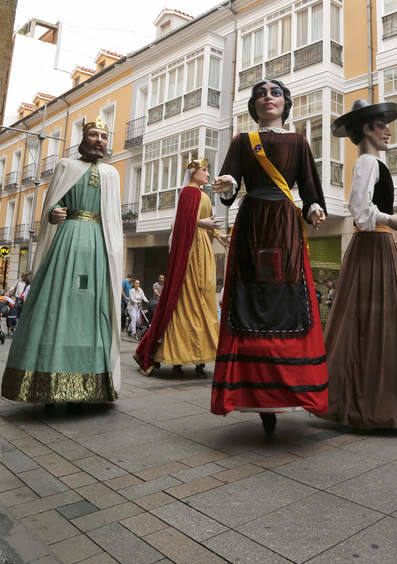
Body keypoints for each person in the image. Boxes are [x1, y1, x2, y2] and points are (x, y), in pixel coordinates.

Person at [211, 79, 328, 438]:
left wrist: (314, 210)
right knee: (250, 295)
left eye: (275, 93)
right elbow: (228, 187)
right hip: (252, 223)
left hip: (285, 224)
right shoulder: (242, 142)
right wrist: (228, 185)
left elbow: (310, 188)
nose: (268, 97)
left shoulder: (299, 142)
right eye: (261, 94)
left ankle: (289, 386)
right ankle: (255, 394)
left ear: (285, 103)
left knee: (287, 295)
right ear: (254, 105)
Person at [1, 117, 122, 403]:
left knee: (94, 308)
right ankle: (47, 374)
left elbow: (113, 218)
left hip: (98, 245)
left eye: (104, 136)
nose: (99, 140)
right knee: (58, 303)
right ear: (83, 137)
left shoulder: (111, 174)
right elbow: (53, 202)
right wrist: (54, 212)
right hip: (68, 242)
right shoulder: (67, 166)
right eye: (94, 135)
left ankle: (94, 381)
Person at [324, 98, 397, 430]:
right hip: (373, 247)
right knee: (374, 327)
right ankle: (371, 406)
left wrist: (391, 230)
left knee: (366, 326)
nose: (388, 131)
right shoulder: (368, 162)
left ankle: (366, 402)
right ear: (366, 128)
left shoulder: (373, 163)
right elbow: (361, 212)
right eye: (381, 126)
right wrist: (392, 221)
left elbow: (366, 215)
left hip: (377, 247)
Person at [135, 160, 228, 379]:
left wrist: (220, 236)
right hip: (190, 251)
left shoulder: (204, 196)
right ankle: (177, 357)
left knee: (204, 300)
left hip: (204, 250)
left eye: (207, 169)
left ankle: (199, 358)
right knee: (186, 301)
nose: (207, 173)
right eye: (204, 169)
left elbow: (207, 223)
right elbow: (183, 222)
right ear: (193, 172)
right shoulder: (188, 192)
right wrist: (202, 224)